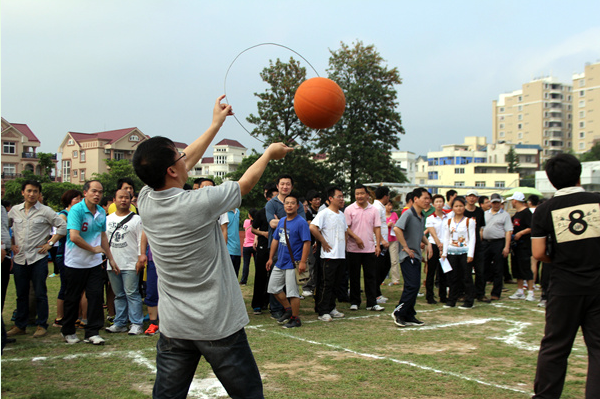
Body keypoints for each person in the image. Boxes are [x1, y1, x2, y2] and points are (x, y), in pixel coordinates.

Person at [133, 95, 292, 399]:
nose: (184, 157)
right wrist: (269, 154)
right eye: (177, 156)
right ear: (170, 170)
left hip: (174, 326)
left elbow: (185, 161)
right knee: (249, 395)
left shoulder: (146, 198)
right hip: (216, 324)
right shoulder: (196, 203)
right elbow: (244, 184)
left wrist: (215, 124)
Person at [531, 154, 600, 398]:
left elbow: (538, 253)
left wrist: (560, 258)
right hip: (597, 284)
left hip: (563, 286)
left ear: (551, 181)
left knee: (556, 346)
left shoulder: (544, 209)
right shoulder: (597, 201)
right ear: (579, 175)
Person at [61, 180, 120, 345]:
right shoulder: (77, 210)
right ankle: (68, 331)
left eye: (100, 192)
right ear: (85, 192)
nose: (97, 195)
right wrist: (92, 249)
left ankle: (92, 332)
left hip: (93, 264)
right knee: (72, 297)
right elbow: (74, 236)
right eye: (94, 191)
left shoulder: (101, 211)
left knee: (95, 296)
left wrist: (111, 258)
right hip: (75, 262)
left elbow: (102, 237)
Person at [7, 180, 67, 338]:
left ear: (39, 194)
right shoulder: (14, 211)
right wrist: (10, 244)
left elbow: (62, 227)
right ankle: (20, 325)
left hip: (38, 258)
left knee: (40, 293)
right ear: (23, 193)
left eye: (35, 191)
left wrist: (50, 243)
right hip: (20, 258)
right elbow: (5, 227)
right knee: (21, 293)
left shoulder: (45, 211)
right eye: (29, 191)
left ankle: (41, 325)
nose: (32, 194)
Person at [266, 194, 311, 328]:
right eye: (287, 203)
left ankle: (295, 319)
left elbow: (307, 242)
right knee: (273, 288)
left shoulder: (301, 222)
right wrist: (270, 258)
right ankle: (288, 309)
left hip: (293, 262)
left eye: (292, 203)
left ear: (297, 206)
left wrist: (303, 261)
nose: (289, 205)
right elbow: (275, 239)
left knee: (293, 292)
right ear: (284, 206)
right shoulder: (282, 221)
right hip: (280, 261)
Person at [105, 189, 145, 335]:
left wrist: (141, 256)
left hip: (130, 262)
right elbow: (103, 239)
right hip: (113, 262)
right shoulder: (108, 219)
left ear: (131, 201)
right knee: (119, 294)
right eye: (120, 197)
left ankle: (136, 323)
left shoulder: (137, 219)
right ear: (114, 200)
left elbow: (141, 239)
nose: (123, 200)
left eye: (127, 198)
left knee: (132, 293)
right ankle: (120, 322)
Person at [392, 187, 432, 327]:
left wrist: (429, 244)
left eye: (428, 199)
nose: (428, 201)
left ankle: (409, 314)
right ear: (416, 199)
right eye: (425, 198)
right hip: (407, 255)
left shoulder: (421, 216)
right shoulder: (408, 213)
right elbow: (397, 228)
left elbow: (420, 233)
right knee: (412, 285)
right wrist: (406, 247)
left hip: (416, 255)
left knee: (415, 286)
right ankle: (399, 312)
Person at [310, 186, 347, 322]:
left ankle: (332, 307)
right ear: (330, 199)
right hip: (328, 255)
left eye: (343, 196)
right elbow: (313, 227)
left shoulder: (341, 215)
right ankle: (322, 310)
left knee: (337, 283)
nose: (342, 199)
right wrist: (323, 242)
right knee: (326, 283)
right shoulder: (324, 213)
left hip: (340, 254)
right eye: (339, 196)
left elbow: (345, 232)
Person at [345, 184, 384, 311]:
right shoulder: (349, 209)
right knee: (354, 276)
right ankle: (355, 302)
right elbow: (346, 228)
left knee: (370, 276)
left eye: (362, 193)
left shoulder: (374, 210)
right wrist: (356, 238)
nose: (359, 196)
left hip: (369, 248)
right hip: (353, 249)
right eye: (357, 194)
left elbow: (377, 227)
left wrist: (378, 245)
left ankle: (372, 303)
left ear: (367, 195)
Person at [53, 189, 83, 328]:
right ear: (69, 200)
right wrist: (50, 243)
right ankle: (60, 317)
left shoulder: (78, 213)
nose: (79, 201)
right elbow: (59, 232)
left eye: (80, 198)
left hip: (77, 254)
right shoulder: (63, 215)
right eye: (76, 198)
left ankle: (75, 316)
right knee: (65, 286)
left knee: (76, 287)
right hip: (64, 254)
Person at [440, 197, 476, 309]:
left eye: (461, 206)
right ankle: (451, 300)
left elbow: (472, 238)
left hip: (464, 252)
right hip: (451, 252)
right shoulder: (448, 221)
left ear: (464, 207)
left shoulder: (469, 221)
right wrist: (444, 253)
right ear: (452, 208)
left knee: (466, 277)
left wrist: (471, 254)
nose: (459, 208)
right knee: (452, 277)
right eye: (456, 206)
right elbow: (446, 238)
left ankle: (469, 301)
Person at [251, 185, 278, 315]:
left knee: (275, 277)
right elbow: (253, 229)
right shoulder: (261, 213)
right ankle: (257, 304)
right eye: (275, 197)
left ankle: (270, 302)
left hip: (277, 248)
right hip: (263, 247)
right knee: (261, 275)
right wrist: (263, 234)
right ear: (268, 199)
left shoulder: (282, 212)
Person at [482, 193, 513, 301]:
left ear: (500, 203)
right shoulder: (485, 214)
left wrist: (506, 247)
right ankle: (481, 292)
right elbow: (481, 229)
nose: (495, 205)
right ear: (491, 203)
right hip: (485, 243)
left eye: (497, 202)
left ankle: (496, 293)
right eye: (494, 202)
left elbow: (508, 231)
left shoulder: (505, 215)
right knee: (483, 268)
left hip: (498, 243)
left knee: (498, 268)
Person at [506, 191, 535, 302]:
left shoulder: (527, 213)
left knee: (525, 267)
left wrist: (521, 233)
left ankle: (531, 291)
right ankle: (520, 290)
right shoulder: (516, 214)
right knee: (516, 268)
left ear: (515, 201)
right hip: (516, 246)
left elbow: (532, 227)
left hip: (524, 245)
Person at [463, 190, 490, 303]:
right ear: (466, 198)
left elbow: (480, 228)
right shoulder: (462, 211)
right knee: (466, 271)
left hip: (477, 244)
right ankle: (467, 293)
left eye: (474, 196)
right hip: (464, 243)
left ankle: (480, 293)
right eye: (470, 196)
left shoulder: (479, 211)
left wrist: (480, 241)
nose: (472, 198)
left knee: (480, 270)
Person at [424, 194, 449, 304]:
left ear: (443, 203)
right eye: (436, 202)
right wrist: (439, 244)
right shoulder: (430, 218)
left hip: (445, 246)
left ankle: (443, 296)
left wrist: (444, 246)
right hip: (434, 245)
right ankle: (429, 296)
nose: (439, 204)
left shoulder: (449, 217)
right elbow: (432, 233)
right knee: (431, 271)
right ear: (433, 204)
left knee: (443, 272)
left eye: (441, 201)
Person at [373, 186, 391, 304]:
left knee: (385, 266)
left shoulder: (380, 207)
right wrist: (382, 241)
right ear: (386, 196)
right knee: (379, 269)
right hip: (377, 243)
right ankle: (375, 293)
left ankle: (376, 291)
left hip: (381, 243)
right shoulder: (376, 208)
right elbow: (375, 226)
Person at [240, 209, 257, 285]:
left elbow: (245, 228)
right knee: (257, 265)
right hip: (255, 245)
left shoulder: (246, 222)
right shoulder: (258, 223)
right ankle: (258, 280)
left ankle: (244, 280)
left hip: (246, 245)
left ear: (249, 215)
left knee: (246, 264)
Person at [386, 201, 401, 285]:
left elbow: (399, 225)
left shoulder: (394, 214)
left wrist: (394, 224)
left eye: (391, 205)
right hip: (384, 240)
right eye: (388, 205)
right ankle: (382, 279)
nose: (390, 207)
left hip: (393, 239)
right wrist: (387, 225)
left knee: (394, 260)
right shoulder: (381, 215)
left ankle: (395, 279)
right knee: (383, 261)